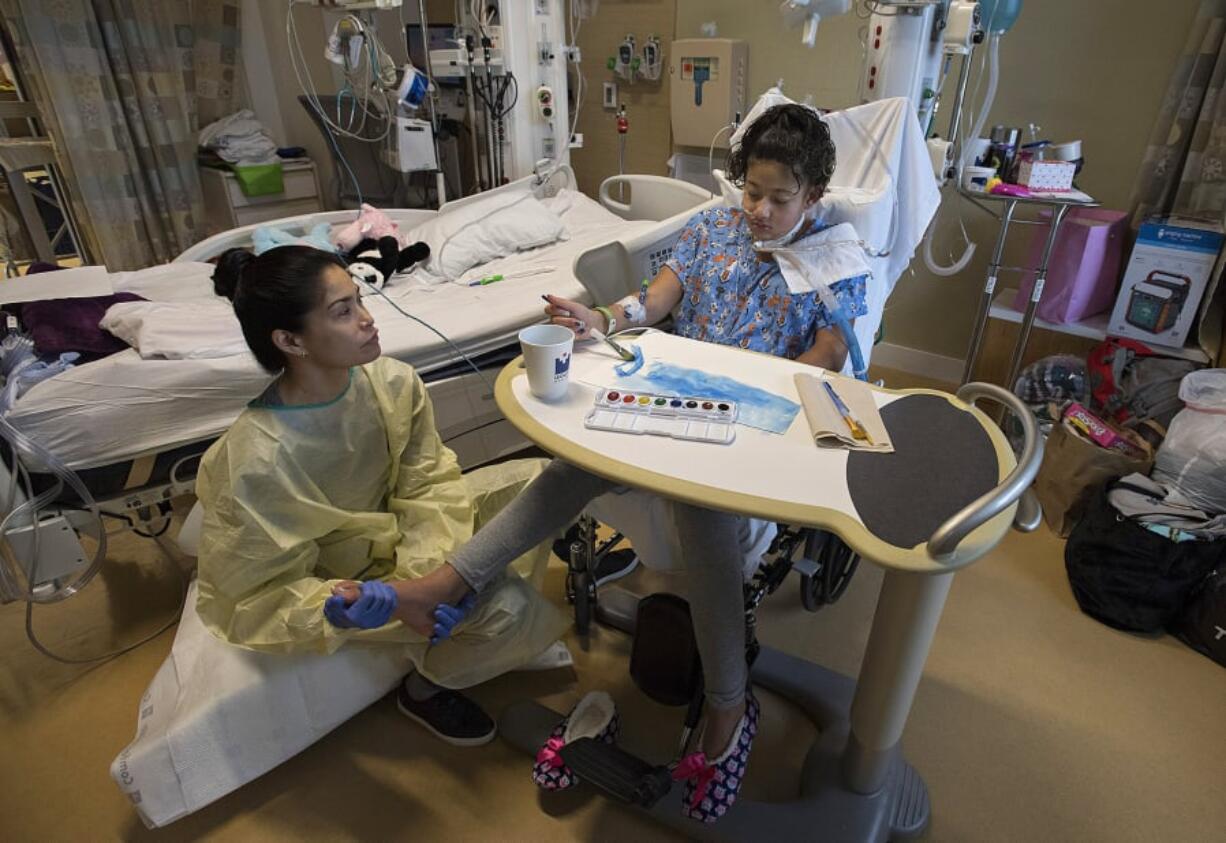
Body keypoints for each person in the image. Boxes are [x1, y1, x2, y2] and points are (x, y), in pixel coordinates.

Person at [342, 104, 869, 822]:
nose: (760, 210)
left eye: (780, 199)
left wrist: (776, 403)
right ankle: (441, 586)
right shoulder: (714, 227)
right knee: (570, 466)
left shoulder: (836, 258)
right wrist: (603, 319)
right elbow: (658, 298)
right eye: (752, 191)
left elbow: (829, 357)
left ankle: (725, 705)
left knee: (704, 507)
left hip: (752, 429)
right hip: (676, 398)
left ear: (814, 197)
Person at [194, 245, 567, 747]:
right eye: (342, 312)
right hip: (352, 581)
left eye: (360, 300)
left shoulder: (391, 383)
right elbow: (249, 597)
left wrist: (434, 579)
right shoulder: (253, 458)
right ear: (289, 340)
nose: (369, 321)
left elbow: (428, 486)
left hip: (408, 545)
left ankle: (469, 620)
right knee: (513, 611)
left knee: (544, 486)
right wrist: (343, 607)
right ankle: (428, 684)